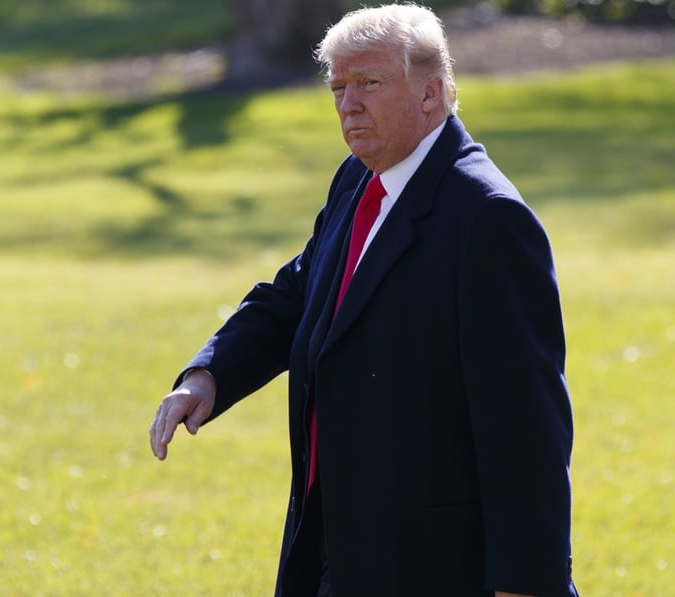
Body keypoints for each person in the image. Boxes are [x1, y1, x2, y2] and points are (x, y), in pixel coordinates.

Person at [149, 4, 577, 596]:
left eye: (369, 84)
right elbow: (303, 288)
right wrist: (210, 374)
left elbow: (526, 427)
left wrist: (526, 584)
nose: (349, 105)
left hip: (436, 568)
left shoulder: (487, 219)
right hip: (336, 547)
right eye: (338, 87)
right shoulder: (358, 178)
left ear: (432, 94)